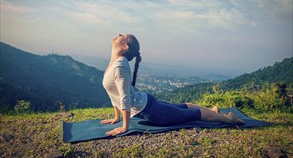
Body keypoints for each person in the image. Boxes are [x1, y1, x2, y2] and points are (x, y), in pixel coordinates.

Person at [101, 34, 244, 136]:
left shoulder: (120, 65)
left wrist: (124, 127)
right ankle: (213, 110)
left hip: (150, 111)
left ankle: (228, 119)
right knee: (184, 106)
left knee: (191, 114)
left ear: (124, 46)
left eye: (123, 36)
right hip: (146, 104)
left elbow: (124, 97)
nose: (119, 34)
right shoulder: (115, 63)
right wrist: (116, 117)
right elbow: (115, 95)